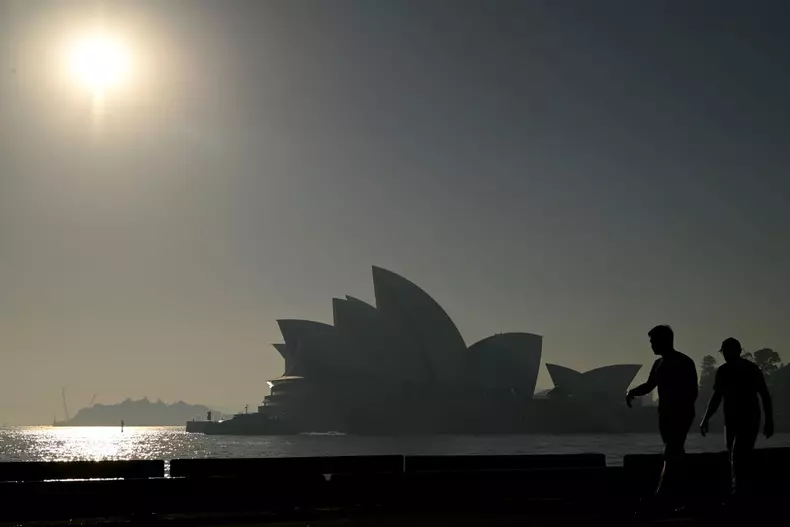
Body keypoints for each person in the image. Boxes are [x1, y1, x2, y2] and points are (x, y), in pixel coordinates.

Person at [627, 325, 698, 498]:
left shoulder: (683, 361)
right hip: (664, 414)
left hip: (680, 413)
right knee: (675, 452)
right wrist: (633, 392)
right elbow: (650, 385)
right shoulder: (658, 363)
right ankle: (683, 492)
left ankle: (662, 494)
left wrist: (682, 409)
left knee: (671, 450)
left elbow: (692, 391)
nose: (651, 345)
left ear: (663, 341)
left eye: (653, 342)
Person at [700, 337, 774, 496]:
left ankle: (738, 491)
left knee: (737, 453)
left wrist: (769, 421)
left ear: (738, 351)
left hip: (749, 418)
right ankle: (743, 489)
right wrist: (705, 418)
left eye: (728, 351)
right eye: (724, 352)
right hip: (732, 419)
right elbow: (716, 397)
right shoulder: (724, 371)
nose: (726, 355)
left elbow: (764, 395)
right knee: (734, 454)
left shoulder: (751, 369)